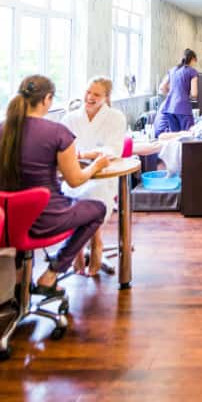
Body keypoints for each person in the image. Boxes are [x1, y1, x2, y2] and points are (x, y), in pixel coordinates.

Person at [0, 75, 110, 293]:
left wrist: (4, 160)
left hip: (4, 221)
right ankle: (53, 271)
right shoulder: (57, 134)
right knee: (97, 209)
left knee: (29, 208)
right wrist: (96, 166)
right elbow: (75, 179)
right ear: (47, 99)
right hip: (46, 220)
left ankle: (18, 282)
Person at [61, 76, 127, 276]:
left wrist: (84, 155)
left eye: (96, 94)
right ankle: (79, 245)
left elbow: (113, 149)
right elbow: (62, 148)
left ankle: (94, 241)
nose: (90, 97)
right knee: (73, 194)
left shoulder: (116, 117)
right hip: (75, 173)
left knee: (94, 193)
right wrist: (81, 157)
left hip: (104, 176)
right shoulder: (70, 118)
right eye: (88, 92)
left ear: (106, 98)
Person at [155, 49, 199, 136]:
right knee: (189, 136)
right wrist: (186, 96)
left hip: (170, 108)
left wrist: (171, 94)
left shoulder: (172, 70)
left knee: (175, 137)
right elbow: (194, 94)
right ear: (193, 59)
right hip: (183, 108)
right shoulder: (192, 72)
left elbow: (162, 87)